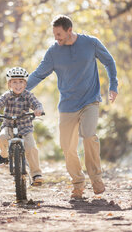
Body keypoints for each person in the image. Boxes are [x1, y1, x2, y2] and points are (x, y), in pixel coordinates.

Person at [26, 15, 118, 198]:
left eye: (59, 34)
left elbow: (109, 61)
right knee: (67, 147)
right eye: (54, 34)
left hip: (90, 100)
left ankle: (96, 178)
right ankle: (78, 183)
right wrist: (20, 91)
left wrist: (113, 85)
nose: (56, 38)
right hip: (67, 104)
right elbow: (38, 74)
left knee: (89, 135)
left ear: (70, 30)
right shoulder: (53, 52)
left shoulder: (90, 43)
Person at [0, 66, 44, 186]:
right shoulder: (7, 95)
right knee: (1, 138)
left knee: (31, 148)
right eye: (14, 82)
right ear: (9, 84)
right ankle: (4, 155)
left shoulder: (28, 95)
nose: (18, 85)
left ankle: (36, 174)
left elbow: (36, 103)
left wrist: (38, 109)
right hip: (9, 125)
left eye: (21, 82)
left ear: (25, 83)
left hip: (25, 128)